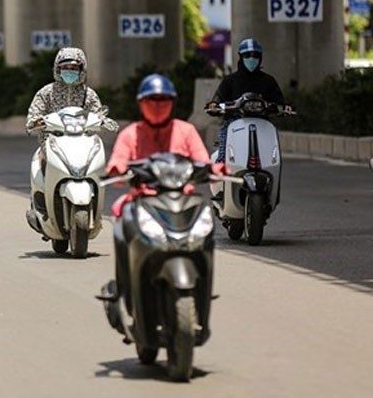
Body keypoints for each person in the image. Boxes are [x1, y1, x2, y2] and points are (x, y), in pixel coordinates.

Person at [105, 74, 223, 300]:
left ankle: (203, 287)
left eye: (164, 100)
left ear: (172, 103)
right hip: (142, 201)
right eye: (152, 100)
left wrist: (216, 170)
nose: (158, 106)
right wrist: (117, 170)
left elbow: (203, 161)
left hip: (183, 201)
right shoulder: (130, 134)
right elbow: (117, 165)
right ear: (141, 103)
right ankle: (124, 289)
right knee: (121, 218)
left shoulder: (186, 131)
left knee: (206, 229)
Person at [205, 38, 288, 163]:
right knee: (222, 155)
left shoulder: (268, 81)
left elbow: (280, 102)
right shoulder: (230, 80)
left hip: (263, 123)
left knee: (274, 157)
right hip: (234, 122)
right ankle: (221, 173)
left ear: (260, 57)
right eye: (247, 55)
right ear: (240, 57)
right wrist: (214, 105)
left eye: (255, 55)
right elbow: (218, 98)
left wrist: (283, 107)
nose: (251, 59)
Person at [25, 46, 103, 136]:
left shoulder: (89, 94)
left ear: (81, 70)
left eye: (74, 68)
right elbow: (34, 115)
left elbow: (98, 115)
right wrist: (36, 122)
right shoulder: (46, 93)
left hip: (83, 143)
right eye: (65, 67)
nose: (69, 71)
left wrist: (101, 121)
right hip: (52, 143)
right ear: (58, 69)